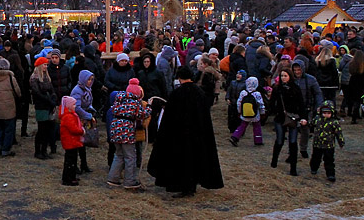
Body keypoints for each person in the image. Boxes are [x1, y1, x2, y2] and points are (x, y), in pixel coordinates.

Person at [147, 67, 224, 198]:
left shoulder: (177, 93)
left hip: (180, 136)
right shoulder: (199, 93)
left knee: (182, 161)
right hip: (197, 135)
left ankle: (184, 187)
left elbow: (170, 117)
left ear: (179, 77)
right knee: (195, 160)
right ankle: (191, 186)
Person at [106, 83, 152, 190]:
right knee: (130, 157)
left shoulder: (118, 100)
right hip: (126, 132)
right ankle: (129, 181)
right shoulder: (135, 103)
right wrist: (149, 106)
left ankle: (113, 178)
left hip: (115, 130)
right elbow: (143, 114)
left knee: (119, 155)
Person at [268, 69, 307, 175]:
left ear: (290, 76)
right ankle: (274, 160)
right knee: (280, 140)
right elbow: (271, 103)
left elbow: (301, 104)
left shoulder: (295, 89)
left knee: (293, 142)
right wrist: (274, 112)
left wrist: (303, 117)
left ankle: (293, 168)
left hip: (293, 117)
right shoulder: (277, 89)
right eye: (281, 76)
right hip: (280, 117)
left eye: (285, 75)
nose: (283, 78)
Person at [291, 61, 323, 160]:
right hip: (293, 109)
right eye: (295, 70)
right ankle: (292, 150)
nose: (297, 72)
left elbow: (318, 93)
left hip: (306, 108)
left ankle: (303, 148)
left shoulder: (311, 80)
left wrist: (319, 105)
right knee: (293, 130)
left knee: (305, 130)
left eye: (299, 69)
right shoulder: (291, 79)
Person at [0, 58, 20, 157]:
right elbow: (17, 91)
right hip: (8, 106)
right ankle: (6, 149)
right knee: (9, 129)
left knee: (0, 127)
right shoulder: (10, 77)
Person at [309, 101, 344, 182]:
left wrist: (341, 142)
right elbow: (311, 124)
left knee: (329, 160)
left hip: (329, 146)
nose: (326, 114)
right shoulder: (317, 119)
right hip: (317, 144)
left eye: (328, 112)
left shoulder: (334, 122)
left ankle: (330, 174)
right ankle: (313, 168)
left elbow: (339, 133)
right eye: (324, 112)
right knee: (315, 158)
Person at [30, 56, 57, 160]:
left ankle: (44, 150)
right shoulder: (34, 78)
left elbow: (51, 89)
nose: (46, 66)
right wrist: (48, 99)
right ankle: (38, 151)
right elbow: (36, 93)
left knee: (48, 129)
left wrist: (53, 97)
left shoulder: (46, 76)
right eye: (44, 64)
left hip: (48, 105)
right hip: (41, 106)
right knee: (42, 129)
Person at [71, 70, 96, 173]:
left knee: (83, 143)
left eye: (91, 79)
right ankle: (75, 165)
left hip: (84, 118)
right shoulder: (77, 91)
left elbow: (88, 102)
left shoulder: (87, 89)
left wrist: (91, 109)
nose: (90, 81)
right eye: (88, 79)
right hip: (78, 119)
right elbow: (76, 107)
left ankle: (83, 164)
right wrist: (88, 115)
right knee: (77, 143)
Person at [229, 76, 266, 147]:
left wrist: (239, 111)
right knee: (257, 126)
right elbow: (261, 104)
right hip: (255, 114)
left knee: (242, 125)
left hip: (244, 113)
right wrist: (262, 112)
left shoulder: (243, 92)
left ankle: (235, 137)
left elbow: (239, 103)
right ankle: (258, 140)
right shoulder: (257, 94)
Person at [59, 96, 84, 186]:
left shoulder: (70, 115)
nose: (75, 106)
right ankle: (68, 179)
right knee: (70, 161)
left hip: (71, 141)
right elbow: (74, 129)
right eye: (73, 105)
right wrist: (82, 131)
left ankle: (71, 176)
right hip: (70, 142)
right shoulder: (68, 117)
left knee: (72, 160)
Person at [347, 49, 364, 124]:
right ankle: (363, 115)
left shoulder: (352, 63)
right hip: (361, 83)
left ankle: (354, 115)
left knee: (355, 100)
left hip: (353, 82)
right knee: (362, 101)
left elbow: (350, 72)